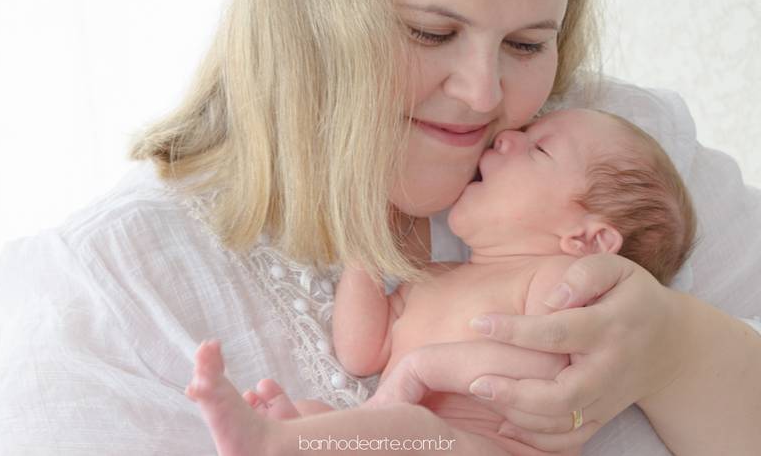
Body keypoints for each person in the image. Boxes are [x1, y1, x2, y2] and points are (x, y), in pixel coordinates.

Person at [0, 0, 760, 455]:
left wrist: (679, 350)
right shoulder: (99, 300)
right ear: (305, 17)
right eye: (431, 32)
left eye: (527, 44)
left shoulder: (624, 153)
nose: (485, 96)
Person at [184, 108, 698, 455]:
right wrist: (365, 250)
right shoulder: (436, 278)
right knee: (327, 417)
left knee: (409, 429)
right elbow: (362, 353)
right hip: (407, 441)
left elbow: (545, 367)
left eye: (539, 151)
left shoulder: (562, 280)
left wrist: (420, 370)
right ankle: (289, 436)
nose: (508, 136)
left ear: (586, 240)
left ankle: (273, 441)